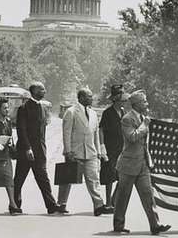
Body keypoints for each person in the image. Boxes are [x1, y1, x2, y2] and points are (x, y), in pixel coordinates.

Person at [112, 90, 170, 235]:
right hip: (128, 164)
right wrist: (144, 125)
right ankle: (119, 224)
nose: (147, 103)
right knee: (123, 196)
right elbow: (132, 137)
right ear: (136, 104)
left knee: (148, 195)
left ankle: (155, 225)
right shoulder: (127, 119)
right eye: (144, 101)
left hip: (143, 163)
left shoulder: (144, 117)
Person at [58, 88, 113, 216]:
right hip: (75, 151)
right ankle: (61, 203)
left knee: (93, 178)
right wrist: (68, 151)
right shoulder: (71, 112)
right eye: (89, 96)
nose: (91, 98)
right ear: (81, 98)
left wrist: (99, 152)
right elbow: (66, 133)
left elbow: (95, 134)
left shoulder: (93, 113)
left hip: (90, 152)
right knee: (68, 179)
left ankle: (98, 205)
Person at [13, 82, 59, 214]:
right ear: (33, 91)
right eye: (41, 89)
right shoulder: (24, 108)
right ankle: (15, 205)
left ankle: (51, 205)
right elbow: (21, 130)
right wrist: (28, 148)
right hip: (26, 151)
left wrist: (43, 149)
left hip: (39, 151)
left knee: (43, 178)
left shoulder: (42, 108)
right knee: (19, 179)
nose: (44, 91)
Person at [99, 84, 128, 210]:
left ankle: (114, 199)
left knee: (123, 175)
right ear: (116, 99)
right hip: (110, 147)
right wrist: (102, 146)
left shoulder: (123, 112)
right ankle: (108, 203)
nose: (123, 101)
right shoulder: (107, 113)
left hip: (122, 148)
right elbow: (101, 130)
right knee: (109, 175)